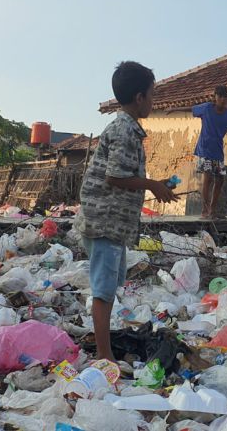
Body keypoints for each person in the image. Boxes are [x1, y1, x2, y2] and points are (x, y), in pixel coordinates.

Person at [76, 61, 179, 361]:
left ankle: (105, 346)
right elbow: (114, 176)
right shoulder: (124, 130)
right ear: (139, 97)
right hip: (105, 221)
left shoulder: (128, 129)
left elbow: (122, 174)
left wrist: (156, 185)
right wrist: (151, 185)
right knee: (104, 291)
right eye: (152, 94)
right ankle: (104, 356)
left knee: (108, 287)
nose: (153, 100)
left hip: (113, 222)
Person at [192, 85, 227, 219]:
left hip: (217, 151)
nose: (222, 99)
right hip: (205, 149)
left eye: (225, 97)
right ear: (215, 97)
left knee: (220, 180)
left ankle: (212, 210)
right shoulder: (207, 108)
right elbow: (191, 109)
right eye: (219, 96)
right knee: (207, 178)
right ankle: (204, 210)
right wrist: (173, 109)